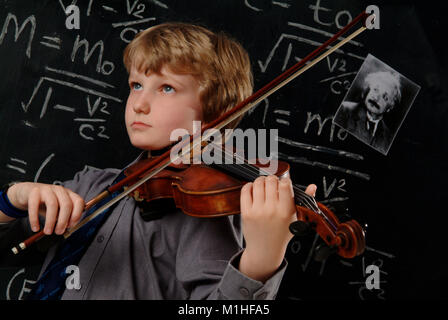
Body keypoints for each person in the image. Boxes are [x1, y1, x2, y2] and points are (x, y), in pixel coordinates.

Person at [0, 22, 316, 300]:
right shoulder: (90, 184)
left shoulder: (199, 212)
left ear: (216, 112)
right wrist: (12, 200)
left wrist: (261, 261)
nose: (140, 103)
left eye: (166, 88)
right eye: (136, 85)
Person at [335, 70, 401, 154]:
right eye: (375, 90)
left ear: (390, 107)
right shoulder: (344, 110)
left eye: (385, 97)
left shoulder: (389, 138)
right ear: (368, 90)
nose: (376, 98)